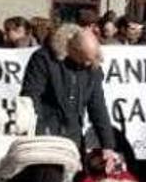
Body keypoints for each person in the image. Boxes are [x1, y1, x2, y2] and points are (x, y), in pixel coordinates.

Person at [20, 24, 117, 162]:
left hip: (73, 137)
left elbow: (98, 106)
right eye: (85, 59)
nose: (87, 64)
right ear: (72, 49)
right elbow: (31, 96)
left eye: (91, 60)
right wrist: (39, 130)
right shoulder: (43, 59)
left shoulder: (92, 67)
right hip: (44, 135)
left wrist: (108, 145)